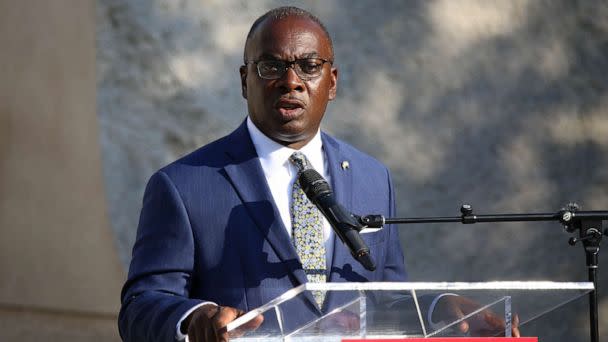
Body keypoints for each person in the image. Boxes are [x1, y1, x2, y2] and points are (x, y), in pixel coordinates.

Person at [118, 6, 518, 342]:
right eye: (271, 66)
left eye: (309, 66)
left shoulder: (371, 178)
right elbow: (141, 305)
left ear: (332, 83)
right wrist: (196, 319)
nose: (291, 81)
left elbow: (385, 299)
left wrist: (437, 310)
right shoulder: (184, 184)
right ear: (245, 80)